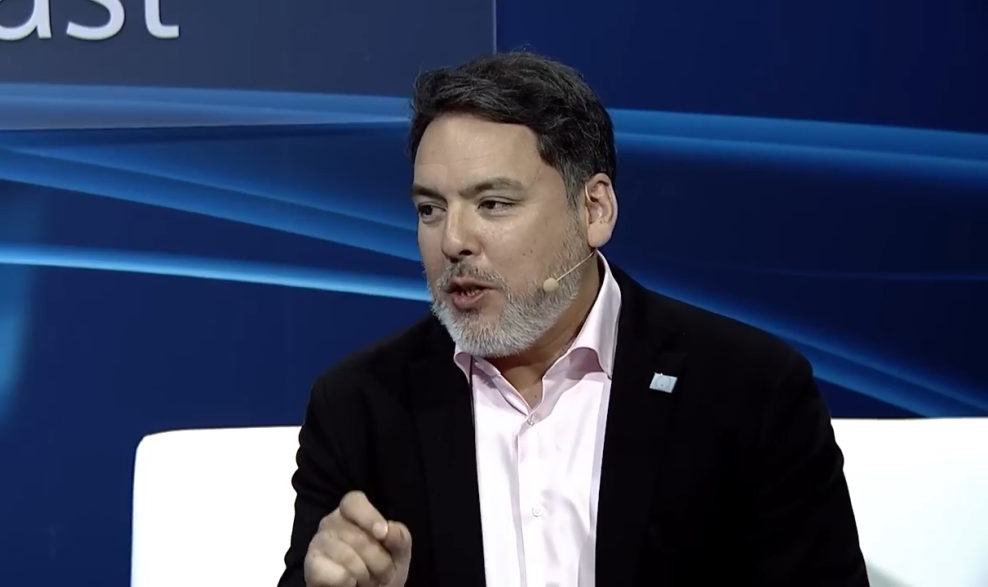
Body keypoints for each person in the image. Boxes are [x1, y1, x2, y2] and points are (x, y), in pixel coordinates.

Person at [277, 51, 868, 587]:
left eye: (493, 204)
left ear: (595, 209)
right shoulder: (359, 406)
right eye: (430, 209)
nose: (453, 240)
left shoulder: (749, 392)